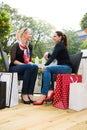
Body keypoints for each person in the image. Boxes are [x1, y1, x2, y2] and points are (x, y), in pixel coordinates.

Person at [33, 31, 72, 105]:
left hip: (66, 68)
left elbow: (53, 57)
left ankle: (44, 94)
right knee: (48, 70)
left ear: (60, 37)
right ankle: (50, 91)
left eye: (55, 36)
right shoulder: (60, 45)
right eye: (53, 36)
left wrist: (45, 65)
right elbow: (54, 56)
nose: (53, 38)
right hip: (65, 68)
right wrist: (48, 55)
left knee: (47, 69)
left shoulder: (59, 45)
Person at [9, 28, 38, 104]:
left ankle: (30, 93)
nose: (30, 35)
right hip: (14, 67)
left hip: (25, 67)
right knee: (29, 66)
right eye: (29, 34)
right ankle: (24, 93)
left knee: (35, 67)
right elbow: (13, 60)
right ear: (24, 34)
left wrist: (29, 64)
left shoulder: (29, 46)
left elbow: (29, 60)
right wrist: (25, 65)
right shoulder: (16, 45)